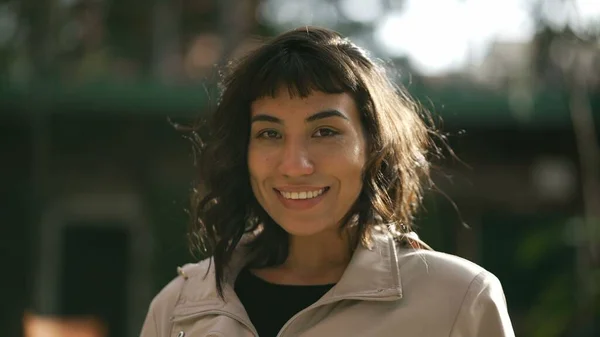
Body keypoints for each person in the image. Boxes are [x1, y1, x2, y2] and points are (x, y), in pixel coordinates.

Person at [139, 26, 515, 337]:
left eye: (324, 131)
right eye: (270, 134)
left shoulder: (459, 300)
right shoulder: (178, 309)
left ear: (373, 146)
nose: (296, 165)